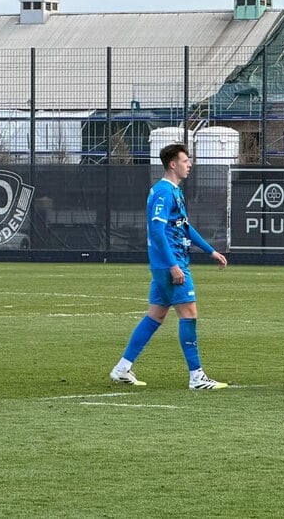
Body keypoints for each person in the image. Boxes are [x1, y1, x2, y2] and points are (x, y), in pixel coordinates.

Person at [109, 143, 229, 390]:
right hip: (171, 264)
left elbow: (184, 227)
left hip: (167, 263)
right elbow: (157, 229)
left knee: (156, 315)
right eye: (186, 160)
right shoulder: (163, 191)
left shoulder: (173, 191)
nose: (190, 164)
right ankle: (197, 377)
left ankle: (122, 368)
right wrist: (173, 265)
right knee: (189, 314)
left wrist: (210, 250)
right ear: (173, 164)